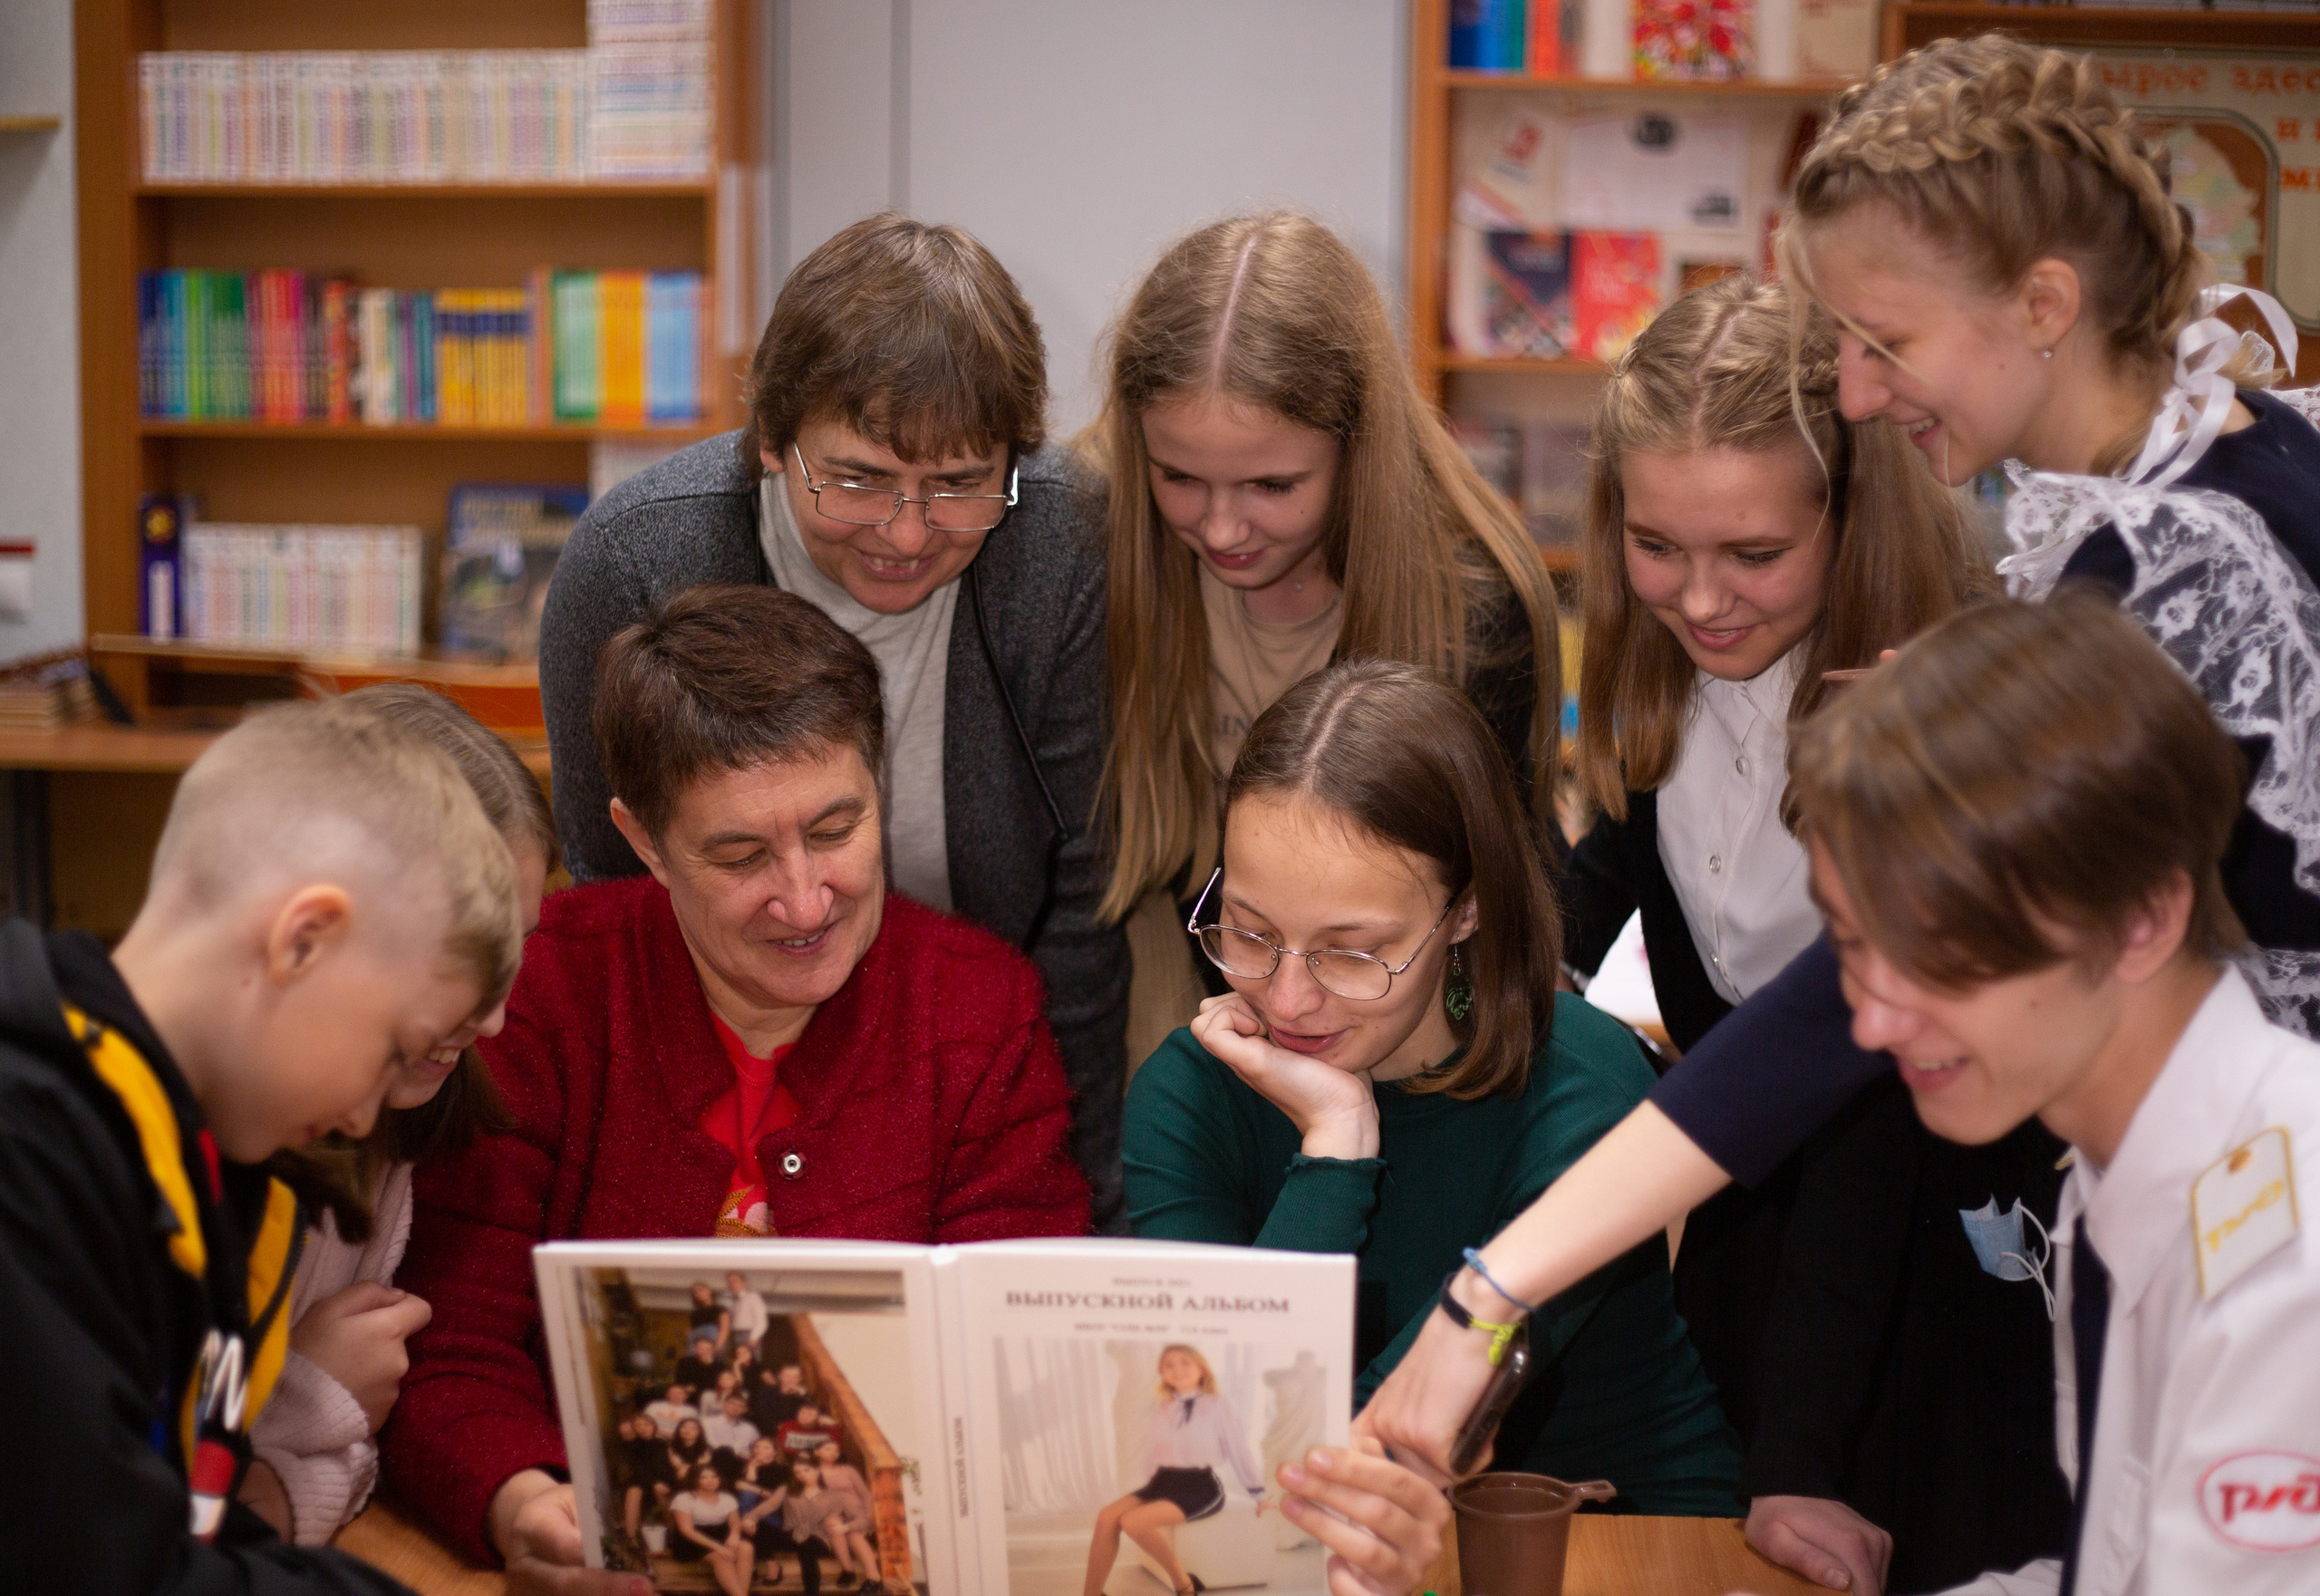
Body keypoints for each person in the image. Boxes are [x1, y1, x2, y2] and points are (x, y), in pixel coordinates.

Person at [1355, 35, 2320, 1533]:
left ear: (2043, 306)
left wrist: (1498, 1284)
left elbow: (1855, 1005)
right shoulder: (2219, 468)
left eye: (1883, 338)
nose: (1856, 393)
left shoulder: (2171, 571)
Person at [383, 585, 1090, 1586]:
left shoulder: (980, 1011)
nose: (805, 898)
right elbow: (449, 1338)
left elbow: (1022, 1361)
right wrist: (522, 1498)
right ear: (642, 841)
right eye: (739, 854)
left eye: (837, 828)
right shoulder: (542, 995)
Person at [540, 213, 1129, 1224]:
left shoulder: (1064, 540)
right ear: (772, 440)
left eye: (958, 486)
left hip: (987, 1065)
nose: (907, 534)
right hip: (727, 1069)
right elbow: (619, 907)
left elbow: (1082, 900)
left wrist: (1069, 1205)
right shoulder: (632, 563)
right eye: (857, 480)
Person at [1787, 596, 2320, 1594]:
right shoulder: (2129, 1159)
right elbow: (2117, 1568)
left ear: (2140, 921)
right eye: (1853, 948)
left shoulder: (2287, 1264)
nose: (1872, 1023)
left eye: (1942, 956)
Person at [1126, 661, 1739, 1512]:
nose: (1289, 996)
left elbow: (1374, 1437)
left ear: (1467, 910)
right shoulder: (1190, 1089)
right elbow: (1221, 1456)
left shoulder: (1579, 1080)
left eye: (1352, 951)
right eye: (1251, 932)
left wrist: (1339, 1153)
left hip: (1612, 1534)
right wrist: (1336, 1144)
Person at [1563, 271, 1993, 1449]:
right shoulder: (1666, 670)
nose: (1701, 599)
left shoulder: (1938, 702)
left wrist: (1800, 1451)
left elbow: (1872, 1095)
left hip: (1934, 1274)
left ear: (1851, 520)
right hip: (1749, 1230)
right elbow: (1612, 870)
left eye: (1754, 551)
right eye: (1656, 545)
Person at [0, 698, 522, 1596]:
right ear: (303, 940)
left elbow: (176, 1520)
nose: (365, 1119)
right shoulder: (31, 1145)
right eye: (394, 1047)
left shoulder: (191, 1158)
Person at [1090, 212, 1563, 1058]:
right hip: (1168, 1032)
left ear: (1357, 447)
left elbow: (1502, 909)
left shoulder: (1476, 603)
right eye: (1180, 478)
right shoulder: (1091, 539)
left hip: (1392, 1049)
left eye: (1273, 484)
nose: (1224, 527)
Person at [243, 682, 559, 1547]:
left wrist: (282, 1471)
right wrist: (311, 1394)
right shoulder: (213, 1145)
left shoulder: (416, 1125)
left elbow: (358, 1456)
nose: (490, 1014)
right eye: (460, 952)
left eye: (515, 951)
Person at [1082, 1345, 1269, 1596]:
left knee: (1133, 1523)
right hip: (1162, 1482)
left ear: (1201, 1368)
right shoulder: (1161, 1408)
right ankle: (1091, 1594)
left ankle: (1183, 1583)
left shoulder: (1218, 1405)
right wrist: (1143, 1490)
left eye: (1184, 1362)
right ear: (1162, 1373)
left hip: (1199, 1486)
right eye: (1168, 1365)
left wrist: (1258, 1493)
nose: (1177, 1369)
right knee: (1106, 1518)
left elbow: (1239, 1450)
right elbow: (1152, 1454)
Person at [737, 1436, 822, 1596]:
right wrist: (753, 1470)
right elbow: (741, 1486)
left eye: (766, 1447)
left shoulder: (783, 1470)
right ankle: (764, 1562)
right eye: (757, 1447)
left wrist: (750, 1515)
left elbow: (774, 1502)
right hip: (757, 1518)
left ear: (775, 1451)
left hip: (776, 1516)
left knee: (749, 1503)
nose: (760, 1450)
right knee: (747, 1500)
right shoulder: (748, 1467)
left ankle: (754, 1562)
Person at [668, 1462, 752, 1596]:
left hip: (719, 1534)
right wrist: (719, 1548)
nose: (710, 1481)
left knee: (746, 1548)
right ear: (695, 1479)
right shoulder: (684, 1498)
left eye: (714, 1477)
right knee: (722, 1557)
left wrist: (734, 1535)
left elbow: (735, 1523)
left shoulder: (727, 1498)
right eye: (704, 1477)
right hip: (693, 1540)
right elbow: (687, 1530)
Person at [621, 1414, 676, 1544]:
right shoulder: (632, 1446)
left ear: (653, 1426)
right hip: (643, 1481)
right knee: (633, 1491)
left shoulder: (663, 1444)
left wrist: (662, 1483)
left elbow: (667, 1467)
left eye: (646, 1424)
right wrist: (653, 1483)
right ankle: (632, 1539)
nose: (642, 1428)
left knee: (661, 1490)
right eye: (638, 1425)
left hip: (662, 1480)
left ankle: (674, 1534)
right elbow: (638, 1469)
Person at [702, 1392, 761, 1476]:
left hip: (745, 1465)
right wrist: (737, 1452)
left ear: (744, 1410)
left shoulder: (750, 1428)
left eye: (740, 1406)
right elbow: (712, 1444)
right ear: (723, 1404)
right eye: (732, 1403)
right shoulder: (708, 1422)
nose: (735, 1407)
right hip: (718, 1461)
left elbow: (758, 1446)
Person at [727, 1270, 771, 1350]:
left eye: (735, 1281)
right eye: (729, 1282)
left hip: (748, 1334)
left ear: (743, 1282)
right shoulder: (734, 1302)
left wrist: (754, 1337)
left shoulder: (753, 1297)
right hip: (736, 1334)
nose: (732, 1284)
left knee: (751, 1361)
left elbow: (761, 1320)